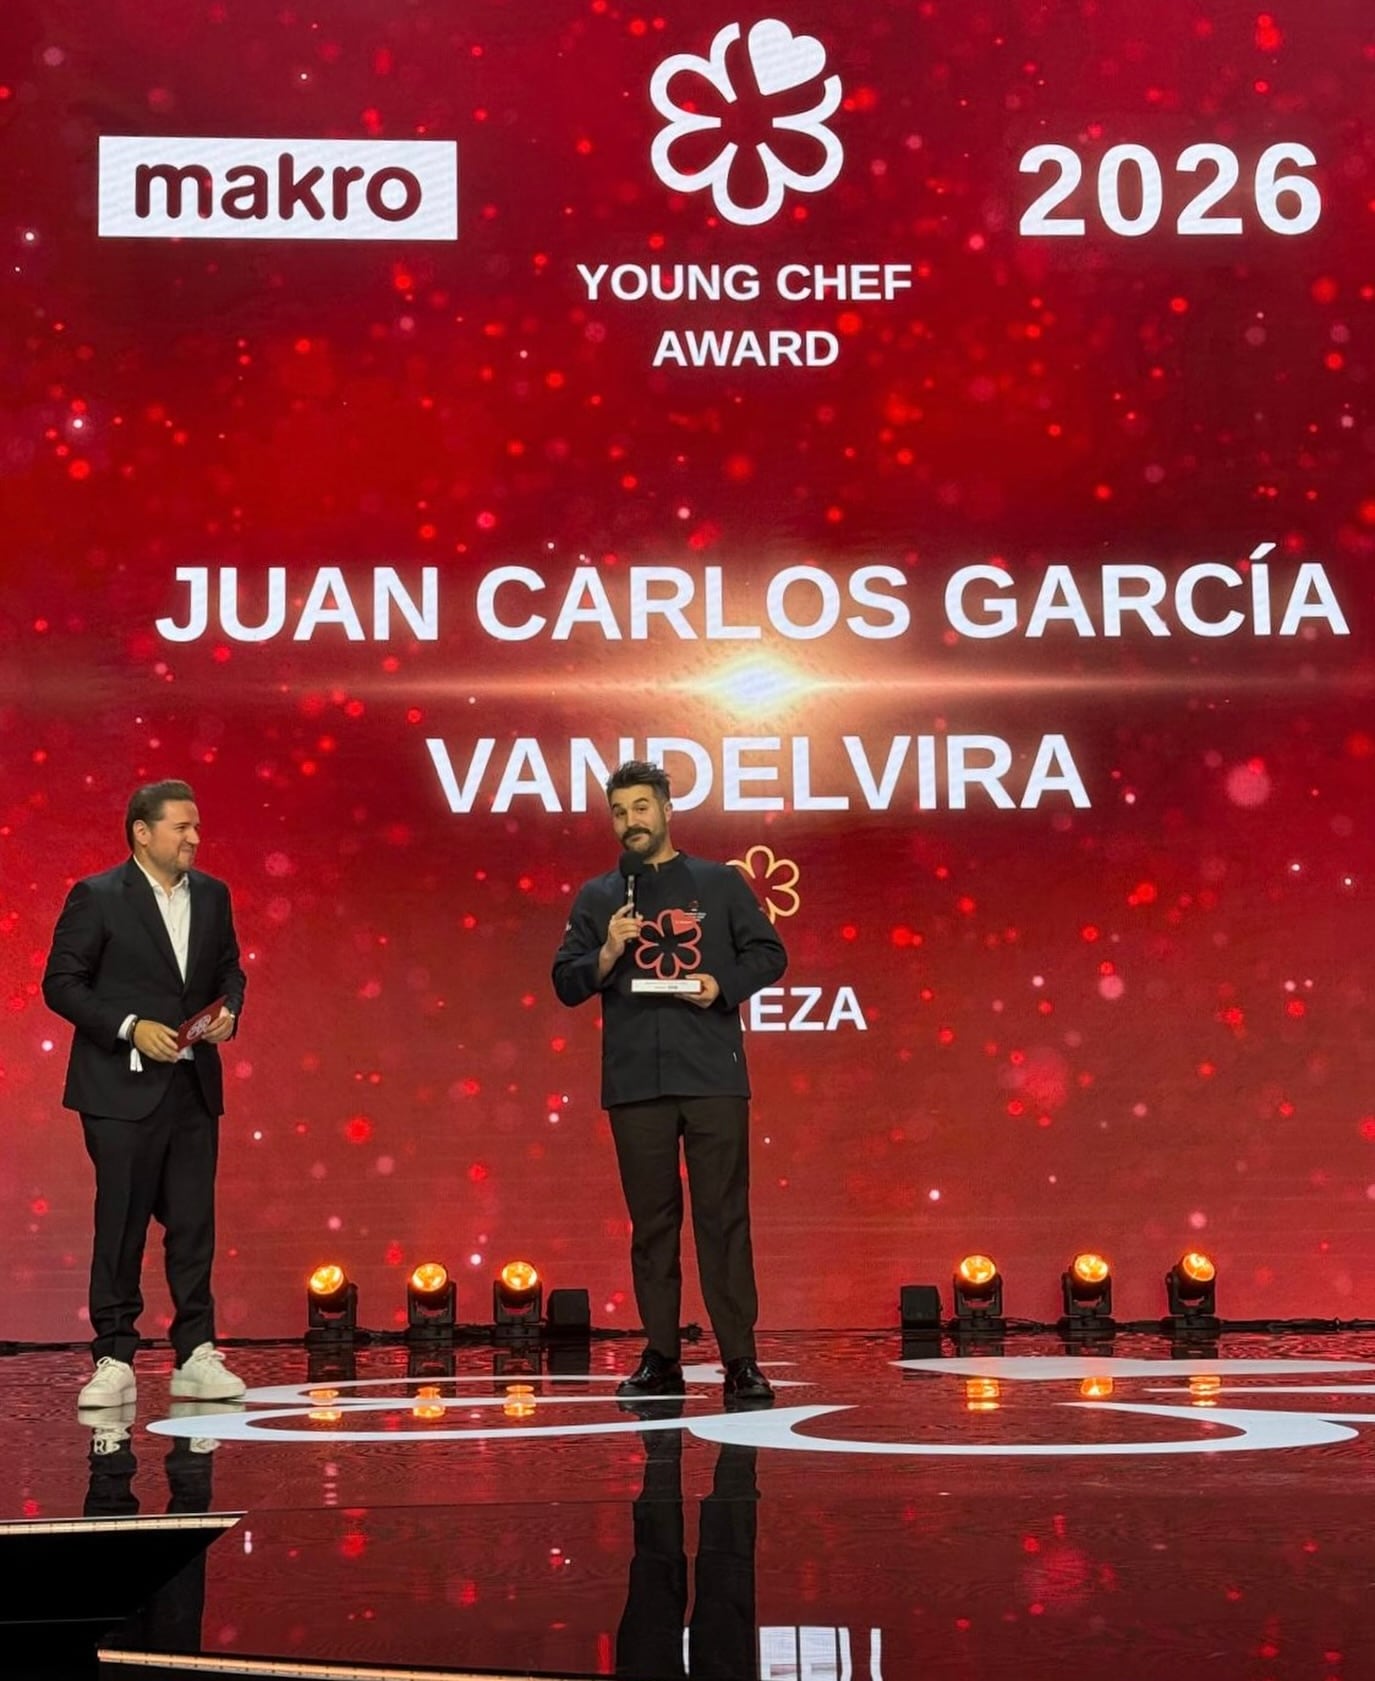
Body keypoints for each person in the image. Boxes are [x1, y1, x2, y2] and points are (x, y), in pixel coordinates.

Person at [552, 760, 786, 1405]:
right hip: (634, 1082)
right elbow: (566, 982)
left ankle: (741, 1358)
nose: (632, 822)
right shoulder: (599, 897)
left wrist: (721, 987)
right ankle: (661, 1355)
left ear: (666, 810)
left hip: (711, 1074)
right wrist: (606, 952)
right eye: (620, 812)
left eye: (641, 809)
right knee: (652, 1225)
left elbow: (769, 953)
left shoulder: (719, 883)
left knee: (723, 1218)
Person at [43, 780, 247, 1410]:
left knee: (192, 1224)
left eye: (197, 828)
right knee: (122, 1221)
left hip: (191, 1086)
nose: (193, 838)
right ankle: (113, 1356)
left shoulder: (213, 896)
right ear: (141, 830)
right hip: (118, 1090)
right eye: (181, 827)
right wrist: (131, 1026)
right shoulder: (98, 897)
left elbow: (229, 971)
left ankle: (196, 1353)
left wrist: (230, 1012)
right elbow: (62, 984)